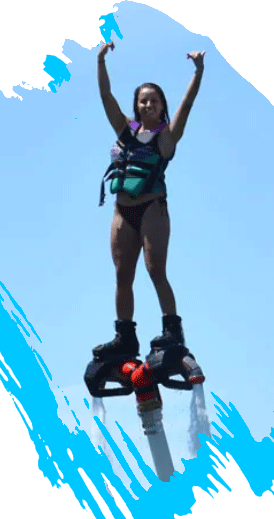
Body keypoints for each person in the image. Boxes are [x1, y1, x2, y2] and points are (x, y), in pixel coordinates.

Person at [93, 41, 205, 360]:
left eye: (153, 101)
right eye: (143, 101)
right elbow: (105, 96)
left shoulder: (166, 137)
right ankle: (125, 338)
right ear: (137, 105)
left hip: (153, 208)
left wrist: (197, 72)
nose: (148, 105)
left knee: (155, 269)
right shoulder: (125, 131)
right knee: (122, 275)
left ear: (160, 105)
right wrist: (100, 61)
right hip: (122, 211)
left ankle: (172, 331)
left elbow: (187, 105)